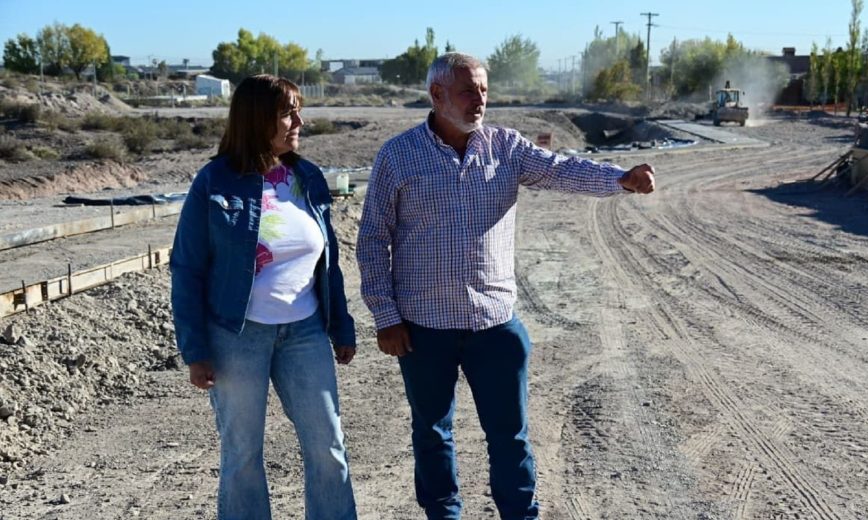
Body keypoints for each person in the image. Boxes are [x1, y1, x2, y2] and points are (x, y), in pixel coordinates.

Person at [356, 52, 655, 520]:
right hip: (423, 328)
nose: (479, 100)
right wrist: (386, 316)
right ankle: (444, 515)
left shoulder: (506, 148)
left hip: (494, 326)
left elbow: (562, 170)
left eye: (483, 90)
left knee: (509, 435)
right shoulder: (398, 156)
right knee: (432, 433)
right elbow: (373, 238)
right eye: (467, 91)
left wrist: (621, 179)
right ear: (436, 95)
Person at [170, 74, 358, 520]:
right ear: (257, 120)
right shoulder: (215, 181)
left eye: (297, 111)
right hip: (236, 336)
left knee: (327, 446)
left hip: (305, 332)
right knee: (242, 457)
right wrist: (194, 349)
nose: (300, 121)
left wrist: (341, 325)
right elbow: (187, 268)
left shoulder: (307, 177)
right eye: (287, 112)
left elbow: (327, 261)